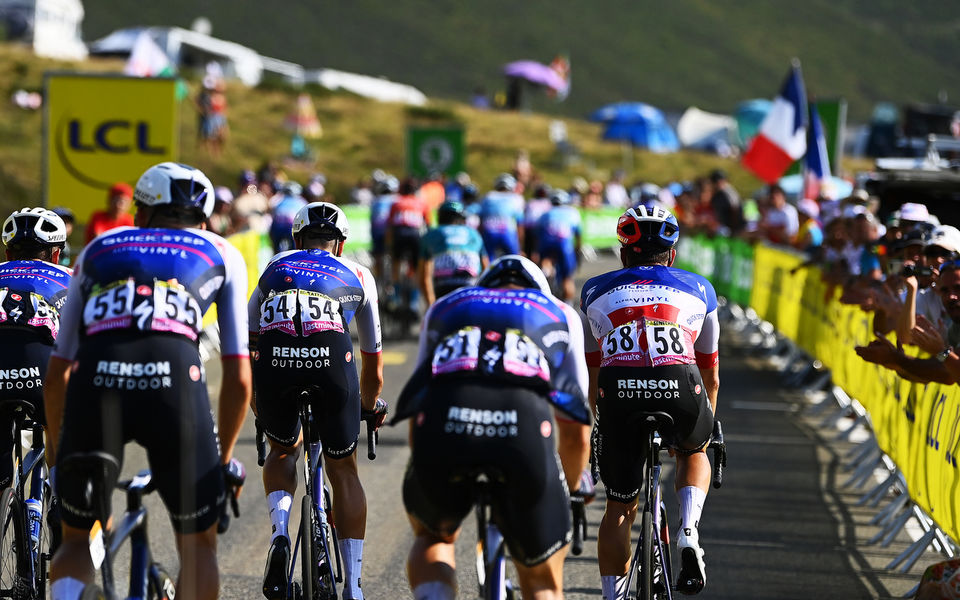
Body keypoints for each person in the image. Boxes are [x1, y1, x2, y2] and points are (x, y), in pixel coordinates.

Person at [44, 162, 252, 600]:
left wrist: (55, 450)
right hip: (174, 381)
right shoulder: (220, 251)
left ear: (140, 212)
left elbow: (60, 368)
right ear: (205, 218)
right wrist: (224, 460)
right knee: (199, 547)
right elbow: (238, 372)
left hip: (96, 380)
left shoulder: (99, 247)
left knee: (77, 540)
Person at [393, 255, 590, 600]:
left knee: (434, 538)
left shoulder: (447, 305)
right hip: (522, 426)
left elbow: (419, 398)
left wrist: (426, 476)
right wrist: (566, 491)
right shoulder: (558, 310)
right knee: (541, 577)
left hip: (446, 422)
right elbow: (575, 425)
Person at [581, 206, 719, 598]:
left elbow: (595, 371)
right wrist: (705, 428)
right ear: (672, 255)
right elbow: (711, 373)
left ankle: (611, 594)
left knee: (619, 507)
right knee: (695, 448)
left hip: (619, 390)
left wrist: (602, 421)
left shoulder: (594, 289)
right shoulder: (700, 288)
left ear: (624, 254)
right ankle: (688, 531)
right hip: (681, 388)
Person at [250, 202, 386, 600]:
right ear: (340, 245)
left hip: (275, 360)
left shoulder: (275, 264)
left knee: (281, 450)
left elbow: (249, 332)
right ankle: (355, 588)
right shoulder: (359, 273)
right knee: (344, 468)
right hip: (331, 361)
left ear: (296, 240)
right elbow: (373, 361)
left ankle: (279, 535)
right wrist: (370, 405)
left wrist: (260, 396)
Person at [0, 208, 70, 490]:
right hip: (41, 367)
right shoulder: (70, 276)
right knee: (59, 429)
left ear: (7, 254)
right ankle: (61, 506)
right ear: (55, 254)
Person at [419, 200, 487, 305]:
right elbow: (486, 269)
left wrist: (431, 306)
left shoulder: (430, 235)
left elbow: (424, 277)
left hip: (443, 287)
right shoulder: (474, 234)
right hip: (470, 286)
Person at [386, 178, 432, 310]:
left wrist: (388, 246)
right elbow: (428, 225)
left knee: (395, 264)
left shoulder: (396, 203)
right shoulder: (421, 203)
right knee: (416, 268)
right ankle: (414, 302)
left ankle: (396, 298)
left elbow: (389, 225)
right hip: (414, 235)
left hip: (399, 234)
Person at [537, 189, 582, 304]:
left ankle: (546, 274)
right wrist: (577, 249)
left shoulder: (545, 213)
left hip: (547, 244)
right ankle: (568, 305)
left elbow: (538, 233)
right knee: (567, 278)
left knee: (546, 262)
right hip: (564, 245)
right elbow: (578, 235)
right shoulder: (572, 212)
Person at [478, 173, 524, 260]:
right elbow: (520, 224)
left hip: (489, 231)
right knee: (515, 259)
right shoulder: (516, 198)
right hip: (507, 233)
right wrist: (520, 246)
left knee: (488, 261)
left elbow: (481, 220)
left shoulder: (488, 196)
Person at [369, 174, 399, 283]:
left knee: (378, 257)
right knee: (395, 258)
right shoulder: (397, 199)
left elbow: (372, 222)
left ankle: (378, 279)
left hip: (378, 233)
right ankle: (394, 280)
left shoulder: (375, 201)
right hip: (392, 232)